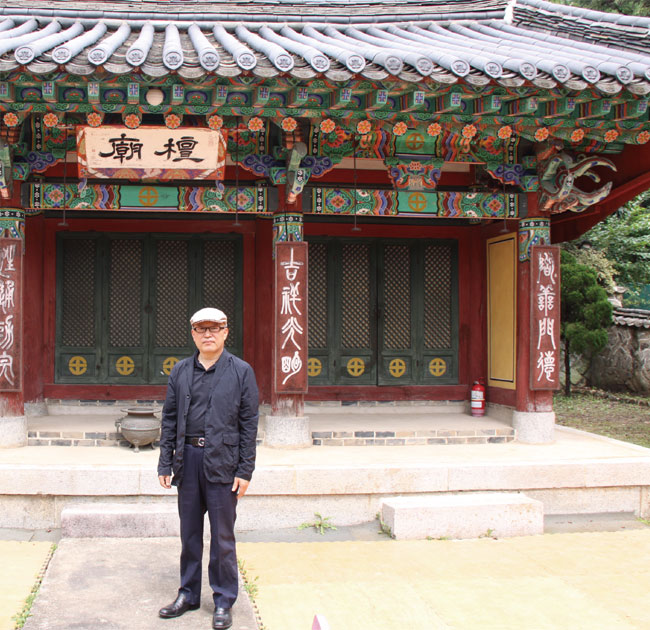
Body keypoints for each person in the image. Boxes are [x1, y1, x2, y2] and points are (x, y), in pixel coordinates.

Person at [157, 307, 259, 630]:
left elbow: (249, 424)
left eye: (215, 328)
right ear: (193, 334)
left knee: (222, 536)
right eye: (201, 329)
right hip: (187, 461)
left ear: (226, 332)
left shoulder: (241, 372)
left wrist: (245, 470)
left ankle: (223, 600)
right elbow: (169, 419)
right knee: (189, 534)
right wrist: (165, 461)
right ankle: (188, 594)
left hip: (223, 462)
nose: (208, 335)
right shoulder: (180, 371)